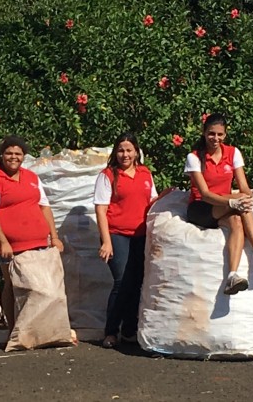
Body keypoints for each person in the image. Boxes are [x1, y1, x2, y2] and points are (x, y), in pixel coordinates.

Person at [185, 114, 253, 295]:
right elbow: (205, 194)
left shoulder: (232, 153)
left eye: (220, 134)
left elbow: (243, 186)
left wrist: (247, 197)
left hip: (223, 206)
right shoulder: (194, 157)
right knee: (240, 202)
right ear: (204, 133)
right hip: (202, 207)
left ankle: (233, 275)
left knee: (237, 221)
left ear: (225, 134)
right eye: (211, 134)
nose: (215, 138)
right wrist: (232, 201)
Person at [0, 135, 63, 327]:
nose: (13, 157)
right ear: (1, 155)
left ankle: (40, 328)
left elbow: (44, 207)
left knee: (44, 287)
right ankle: (14, 328)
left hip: (39, 244)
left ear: (23, 156)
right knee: (14, 285)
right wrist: (3, 242)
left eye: (18, 153)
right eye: (9, 153)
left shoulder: (31, 177)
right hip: (11, 247)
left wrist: (54, 236)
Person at [94, 133, 165, 348]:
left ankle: (129, 330)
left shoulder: (145, 173)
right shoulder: (108, 175)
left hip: (140, 235)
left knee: (137, 283)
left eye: (129, 150)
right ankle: (111, 331)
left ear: (136, 152)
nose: (125, 155)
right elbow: (101, 209)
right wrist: (106, 241)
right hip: (117, 234)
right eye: (121, 150)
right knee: (121, 282)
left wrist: (166, 197)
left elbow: (151, 201)